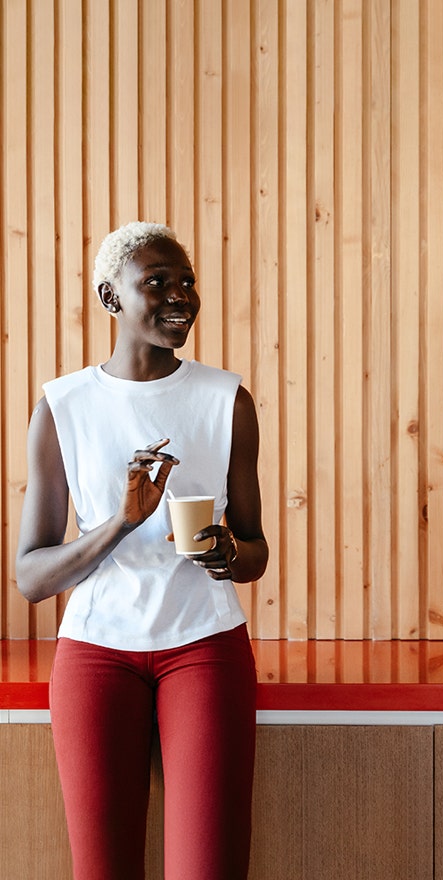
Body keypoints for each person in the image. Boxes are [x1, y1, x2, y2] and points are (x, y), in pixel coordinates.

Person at [16, 221, 268, 880]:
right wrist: (120, 523)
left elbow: (256, 550)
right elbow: (30, 577)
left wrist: (226, 554)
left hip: (205, 645)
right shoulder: (63, 407)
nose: (180, 295)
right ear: (111, 297)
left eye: (186, 282)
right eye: (157, 282)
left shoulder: (227, 401)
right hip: (96, 652)